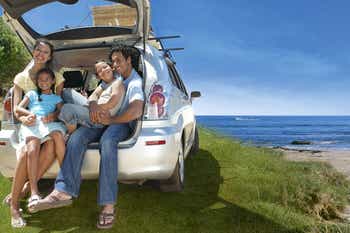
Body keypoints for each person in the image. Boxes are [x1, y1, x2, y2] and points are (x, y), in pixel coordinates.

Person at [31, 44, 144, 229]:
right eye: (112, 62)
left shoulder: (134, 82)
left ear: (129, 60)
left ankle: (108, 205)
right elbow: (94, 98)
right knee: (76, 139)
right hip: (100, 119)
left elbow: (136, 110)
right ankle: (63, 191)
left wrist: (112, 119)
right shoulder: (111, 81)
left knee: (107, 142)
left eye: (117, 61)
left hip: (120, 122)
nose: (114, 65)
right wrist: (92, 106)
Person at [10, 68, 67, 227]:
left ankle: (64, 177)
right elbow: (19, 108)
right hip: (33, 124)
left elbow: (62, 112)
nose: (43, 82)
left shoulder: (56, 97)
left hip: (49, 125)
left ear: (53, 81)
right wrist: (27, 114)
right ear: (37, 82)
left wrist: (54, 116)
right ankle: (34, 191)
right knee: (32, 148)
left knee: (53, 141)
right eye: (40, 80)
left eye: (47, 80)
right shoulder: (33, 95)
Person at [59, 61, 125, 134]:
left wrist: (96, 107)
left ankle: (69, 133)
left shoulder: (118, 82)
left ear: (112, 68)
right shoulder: (103, 84)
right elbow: (94, 95)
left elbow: (112, 102)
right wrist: (93, 104)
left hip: (101, 116)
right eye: (99, 71)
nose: (103, 70)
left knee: (67, 108)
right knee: (66, 92)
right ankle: (71, 119)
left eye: (105, 67)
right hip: (94, 108)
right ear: (98, 76)